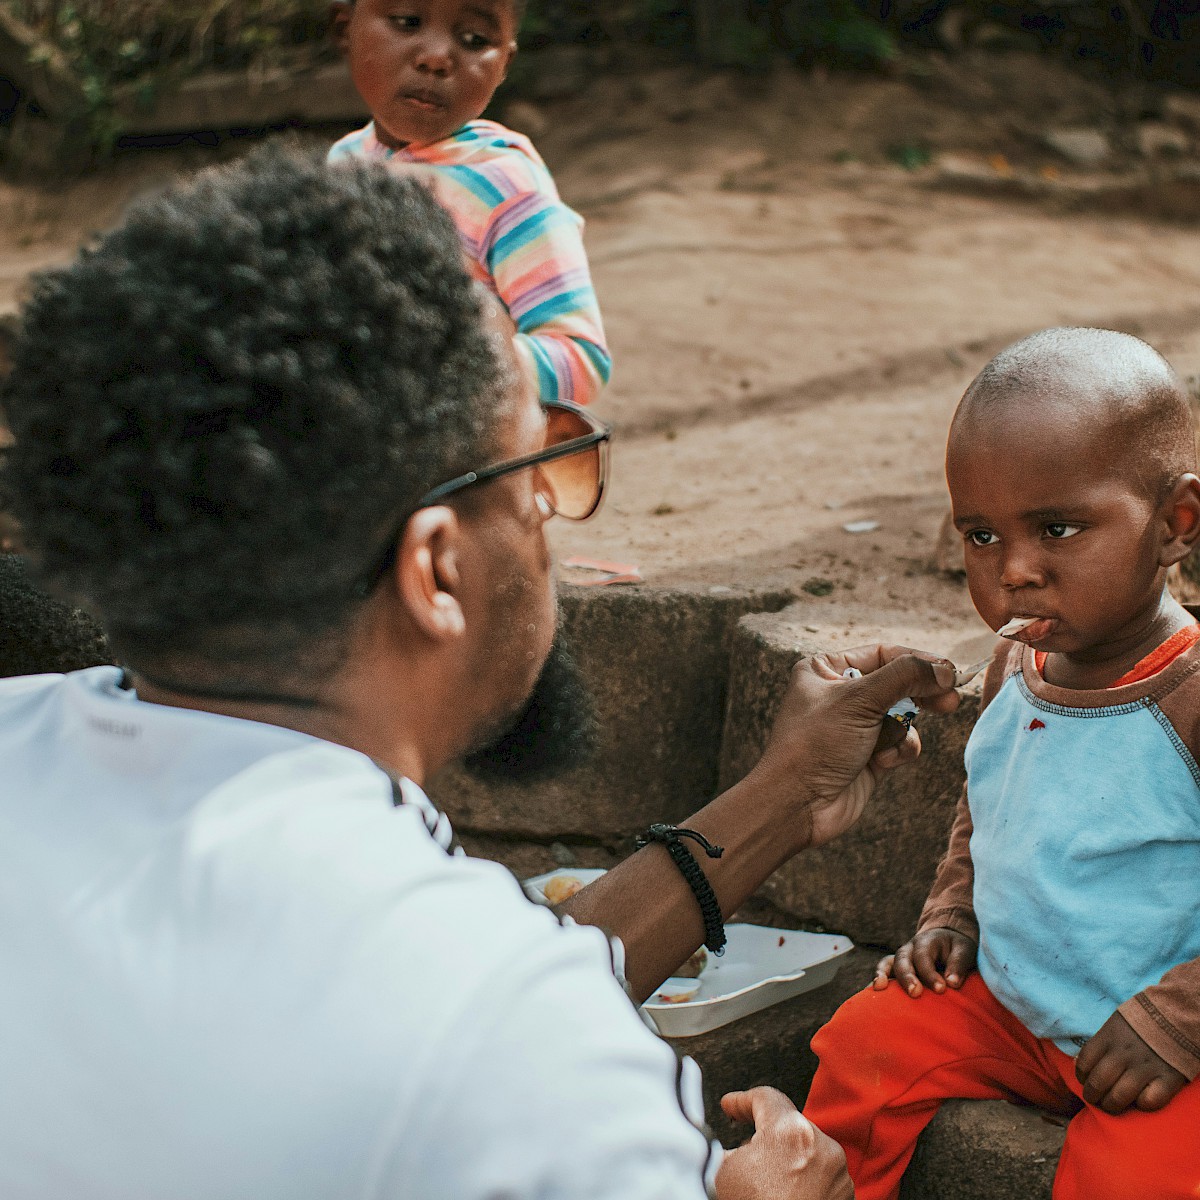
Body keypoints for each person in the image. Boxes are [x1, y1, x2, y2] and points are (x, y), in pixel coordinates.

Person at [0, 145, 959, 1199]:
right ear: (436, 569)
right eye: (534, 466)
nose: (552, 509)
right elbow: (479, 1022)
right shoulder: (539, 1071)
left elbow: (444, 990)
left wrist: (783, 797)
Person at [804, 327, 1200, 1200]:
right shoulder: (1013, 669)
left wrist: (1178, 1020)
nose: (1015, 572)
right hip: (1012, 1012)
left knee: (1135, 1177)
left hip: (1167, 1048)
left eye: (1059, 528)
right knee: (863, 1046)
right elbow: (991, 809)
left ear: (1175, 525)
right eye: (981, 536)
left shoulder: (1188, 696)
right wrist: (955, 916)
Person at [328, 0, 611, 408]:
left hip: (465, 460)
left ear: (503, 66)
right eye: (408, 22)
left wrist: (447, 370)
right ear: (345, 31)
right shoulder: (342, 162)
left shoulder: (505, 188)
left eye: (474, 39)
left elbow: (581, 360)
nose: (436, 58)